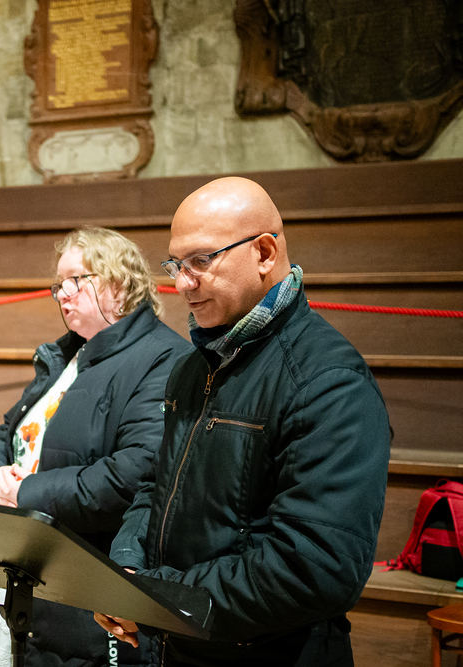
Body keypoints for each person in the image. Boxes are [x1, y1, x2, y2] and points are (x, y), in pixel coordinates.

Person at [94, 177, 390, 666]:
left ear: (265, 253)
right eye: (176, 264)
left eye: (201, 260)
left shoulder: (329, 381)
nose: (182, 283)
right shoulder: (192, 367)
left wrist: (155, 597)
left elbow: (316, 569)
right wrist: (125, 570)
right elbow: (156, 486)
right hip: (182, 642)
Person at [0, 227, 190, 667]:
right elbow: (8, 430)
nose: (62, 294)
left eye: (76, 280)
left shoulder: (164, 357)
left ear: (120, 284)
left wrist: (26, 492)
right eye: (59, 284)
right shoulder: (68, 354)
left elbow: (135, 473)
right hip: (23, 567)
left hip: (87, 587)